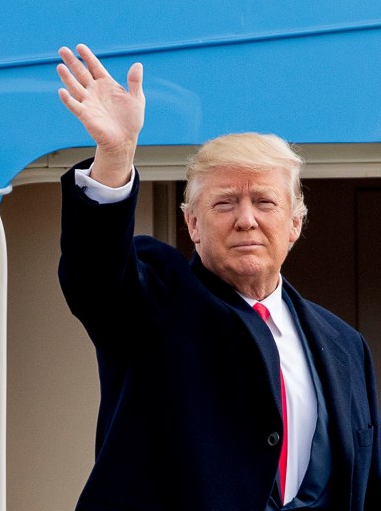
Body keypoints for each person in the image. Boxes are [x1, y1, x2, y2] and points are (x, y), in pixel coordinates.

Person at [56, 43, 380, 510]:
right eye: (225, 203)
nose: (246, 220)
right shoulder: (154, 299)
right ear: (192, 224)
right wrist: (115, 155)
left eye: (264, 202)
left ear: (295, 224)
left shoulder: (345, 345)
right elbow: (95, 276)